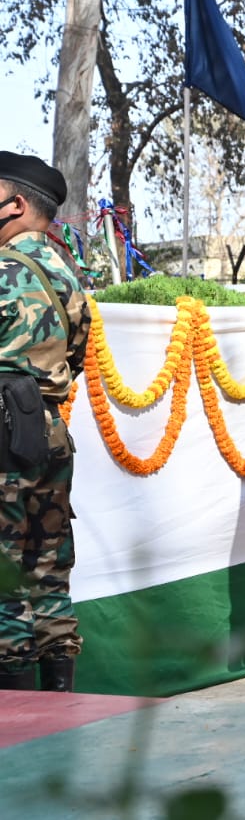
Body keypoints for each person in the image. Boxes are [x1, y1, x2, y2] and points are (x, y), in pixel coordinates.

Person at [0, 152, 91, 692]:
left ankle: (10, 711)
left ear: (13, 204)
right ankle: (60, 696)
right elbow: (77, 354)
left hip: (3, 434)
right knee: (48, 569)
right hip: (49, 428)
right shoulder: (65, 271)